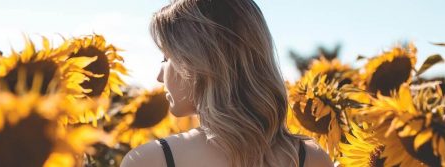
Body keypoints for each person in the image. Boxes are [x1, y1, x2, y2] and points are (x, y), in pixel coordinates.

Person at [121, 0, 333, 166]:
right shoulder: (309, 159)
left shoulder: (148, 161)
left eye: (166, 58)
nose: (160, 76)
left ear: (198, 64)